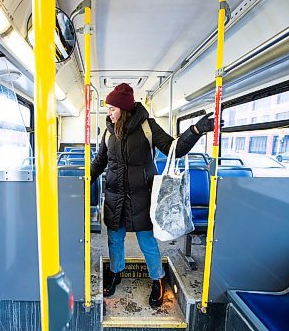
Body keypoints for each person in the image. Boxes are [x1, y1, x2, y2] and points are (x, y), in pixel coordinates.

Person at [91, 83, 214, 308]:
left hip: (142, 197)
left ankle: (157, 280)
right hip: (114, 197)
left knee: (147, 241)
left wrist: (195, 131)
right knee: (114, 239)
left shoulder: (148, 127)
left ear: (124, 108)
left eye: (112, 108)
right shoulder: (109, 131)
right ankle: (116, 273)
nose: (108, 112)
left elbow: (174, 148)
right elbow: (100, 161)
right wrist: (83, 181)